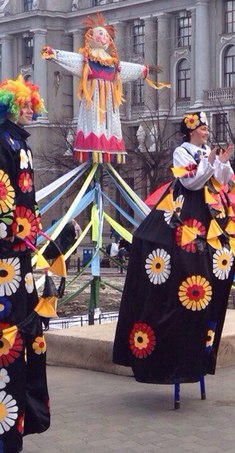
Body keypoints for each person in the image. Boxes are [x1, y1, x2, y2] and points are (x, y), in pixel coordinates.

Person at [113, 111, 235, 388]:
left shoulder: (206, 151)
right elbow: (190, 182)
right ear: (191, 130)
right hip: (185, 210)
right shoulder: (182, 152)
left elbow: (221, 182)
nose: (207, 132)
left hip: (207, 212)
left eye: (207, 128)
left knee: (217, 255)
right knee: (165, 248)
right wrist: (209, 163)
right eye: (203, 128)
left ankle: (199, 336)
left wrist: (221, 163)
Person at [0, 76, 51, 451]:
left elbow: (24, 196)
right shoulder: (4, 140)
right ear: (12, 104)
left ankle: (15, 424)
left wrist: (30, 229)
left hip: (18, 255)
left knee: (19, 331)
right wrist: (10, 232)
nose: (32, 108)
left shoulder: (20, 142)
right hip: (7, 258)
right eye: (26, 102)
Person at [41, 13, 164, 164]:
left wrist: (144, 70)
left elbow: (128, 69)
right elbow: (71, 59)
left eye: (107, 35)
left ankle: (106, 149)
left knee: (110, 122)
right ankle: (94, 149)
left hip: (109, 102)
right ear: (90, 37)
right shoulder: (86, 59)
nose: (104, 37)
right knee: (92, 121)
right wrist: (54, 54)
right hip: (93, 99)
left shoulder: (113, 63)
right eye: (100, 34)